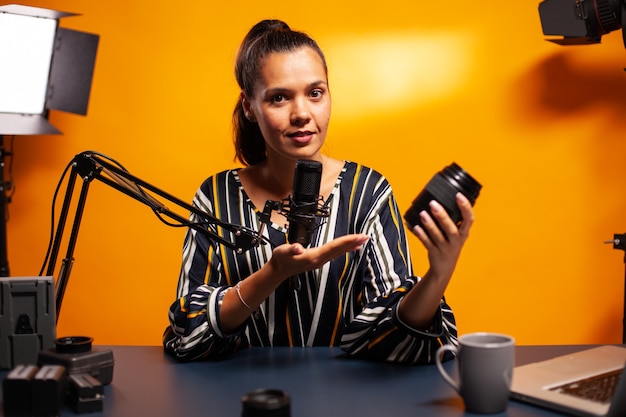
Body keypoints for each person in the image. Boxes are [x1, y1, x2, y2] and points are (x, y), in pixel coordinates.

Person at [163, 19, 474, 364]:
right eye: (279, 98)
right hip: (239, 395)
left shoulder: (368, 192)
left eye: (315, 93)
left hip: (345, 397)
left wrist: (438, 274)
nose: (302, 114)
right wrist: (274, 273)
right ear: (250, 106)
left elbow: (391, 334)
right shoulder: (216, 197)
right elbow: (189, 333)